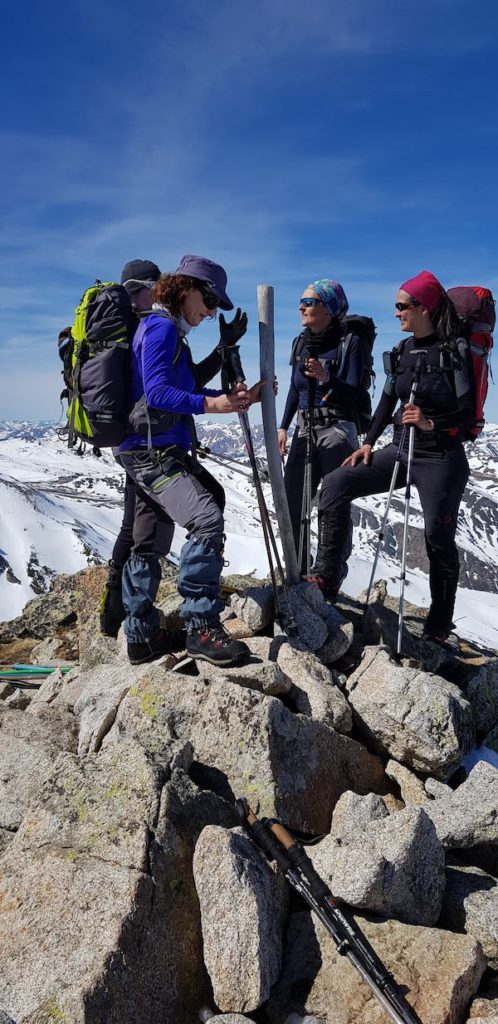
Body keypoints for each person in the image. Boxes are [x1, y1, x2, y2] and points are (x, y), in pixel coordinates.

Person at [117, 254, 262, 666]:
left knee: (149, 540)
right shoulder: (161, 327)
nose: (212, 310)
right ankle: (201, 627)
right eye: (210, 299)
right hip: (153, 452)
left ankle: (141, 635)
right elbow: (160, 392)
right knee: (207, 518)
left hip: (145, 448)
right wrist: (214, 405)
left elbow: (187, 381)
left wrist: (223, 351)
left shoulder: (165, 329)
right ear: (186, 288)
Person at [317, 270, 475, 643]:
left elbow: (469, 412)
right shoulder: (402, 351)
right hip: (400, 451)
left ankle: (439, 623)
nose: (396, 313)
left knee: (438, 537)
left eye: (402, 306)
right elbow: (388, 399)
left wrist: (430, 422)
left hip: (440, 458)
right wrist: (369, 442)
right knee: (336, 483)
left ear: (425, 308)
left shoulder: (456, 351)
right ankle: (325, 576)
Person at [278, 279, 367, 598]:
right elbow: (293, 388)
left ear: (329, 309)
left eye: (310, 302)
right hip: (304, 428)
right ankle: (297, 568)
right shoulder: (300, 342)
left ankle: (328, 574)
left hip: (338, 428)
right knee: (292, 498)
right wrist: (283, 425)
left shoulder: (350, 342)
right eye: (301, 301)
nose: (302, 306)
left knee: (333, 502)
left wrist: (327, 378)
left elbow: (354, 390)